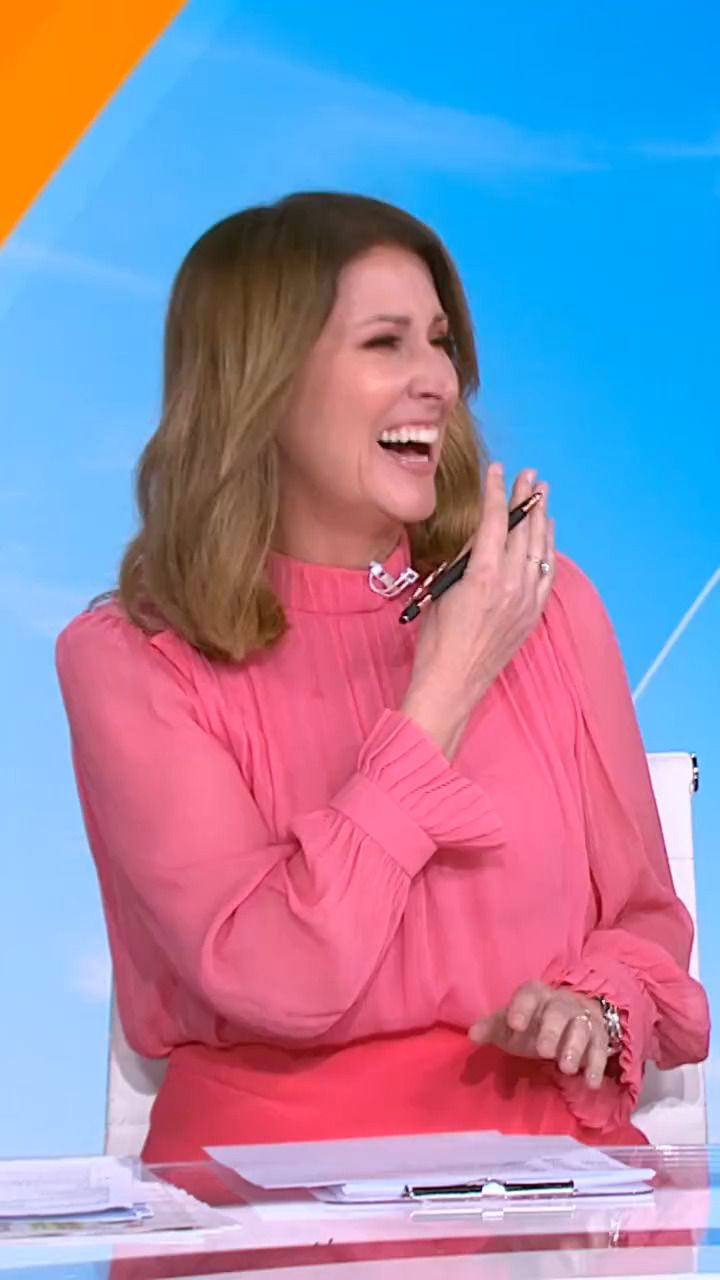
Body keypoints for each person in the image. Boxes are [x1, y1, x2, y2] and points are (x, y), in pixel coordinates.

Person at [56, 192, 709, 1162]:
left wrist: (598, 1006)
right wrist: (441, 690)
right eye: (384, 343)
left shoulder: (547, 599)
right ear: (263, 383)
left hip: (553, 1184)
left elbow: (646, 920)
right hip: (262, 1192)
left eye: (439, 343)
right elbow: (280, 978)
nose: (437, 381)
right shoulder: (127, 656)